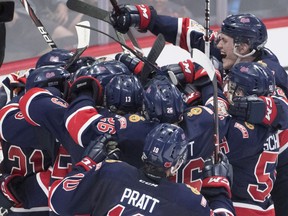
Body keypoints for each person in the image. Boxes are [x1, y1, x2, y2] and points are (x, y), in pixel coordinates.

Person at [49, 123, 235, 215]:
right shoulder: (187, 200)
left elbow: (58, 202)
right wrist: (219, 191)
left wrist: (87, 163)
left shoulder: (111, 171)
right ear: (178, 162)